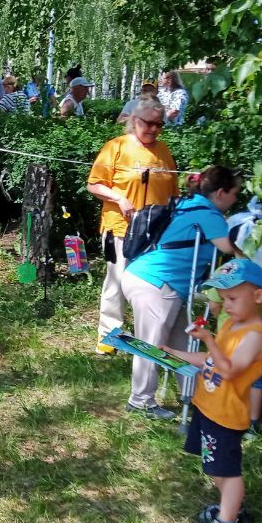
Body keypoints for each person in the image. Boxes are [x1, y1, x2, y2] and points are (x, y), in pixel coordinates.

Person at [163, 258, 262, 523]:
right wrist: (174, 352)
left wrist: (209, 339)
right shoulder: (233, 326)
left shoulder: (255, 335)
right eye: (223, 299)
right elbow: (210, 361)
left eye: (233, 299)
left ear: (258, 296)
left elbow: (230, 370)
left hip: (227, 415)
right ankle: (231, 507)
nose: (227, 306)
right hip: (209, 407)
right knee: (213, 467)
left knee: (225, 470)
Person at [120, 166, 240, 418]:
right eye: (235, 193)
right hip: (157, 282)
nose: (236, 200)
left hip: (153, 280)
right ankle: (140, 401)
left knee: (183, 342)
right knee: (151, 342)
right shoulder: (208, 213)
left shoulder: (186, 205)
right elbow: (229, 248)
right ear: (220, 193)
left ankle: (198, 397)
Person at [87, 98, 179, 354]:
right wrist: (119, 198)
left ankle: (149, 338)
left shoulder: (164, 152)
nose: (154, 129)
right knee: (117, 282)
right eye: (149, 123)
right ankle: (109, 337)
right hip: (120, 228)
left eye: (159, 125)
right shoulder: (115, 147)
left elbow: (173, 193)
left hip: (156, 232)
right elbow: (94, 184)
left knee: (150, 286)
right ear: (134, 121)